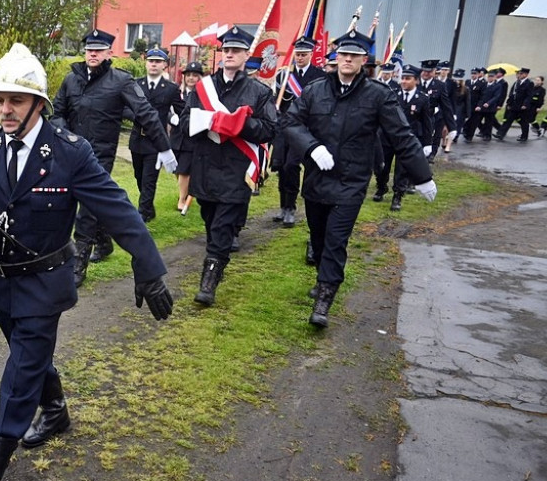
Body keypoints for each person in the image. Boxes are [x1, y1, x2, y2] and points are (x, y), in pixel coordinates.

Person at [0, 43, 174, 481]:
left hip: (46, 284)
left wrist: (149, 267)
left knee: (19, 373)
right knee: (29, 359)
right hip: (0, 284)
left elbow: (118, 209)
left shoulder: (70, 153)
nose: (4, 109)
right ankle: (56, 411)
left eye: (14, 100)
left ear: (38, 104)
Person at [282, 30, 436, 328]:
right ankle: (322, 278)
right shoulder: (315, 90)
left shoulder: (377, 95)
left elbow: (401, 135)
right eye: (343, 54)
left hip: (351, 182)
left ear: (364, 60)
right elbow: (290, 121)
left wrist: (422, 176)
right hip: (317, 178)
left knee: (336, 239)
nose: (347, 59)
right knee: (318, 237)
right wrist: (311, 147)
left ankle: (325, 298)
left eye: (354, 55)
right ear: (335, 57)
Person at [51, 29, 177, 286]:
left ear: (109, 52)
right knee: (70, 199)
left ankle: (78, 262)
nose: (92, 53)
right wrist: (63, 134)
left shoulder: (121, 80)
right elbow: (57, 111)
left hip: (100, 154)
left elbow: (146, 113)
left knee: (86, 205)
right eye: (89, 49)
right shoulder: (70, 80)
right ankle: (105, 240)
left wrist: (164, 148)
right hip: (71, 151)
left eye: (98, 49)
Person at [179, 25, 278, 306]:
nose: (230, 54)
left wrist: (240, 123)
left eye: (236, 50)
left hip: (237, 169)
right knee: (210, 220)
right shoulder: (202, 89)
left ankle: (209, 281)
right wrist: (207, 121)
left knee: (223, 226)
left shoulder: (259, 92)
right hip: (206, 165)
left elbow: (270, 129)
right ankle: (217, 258)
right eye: (227, 50)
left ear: (247, 55)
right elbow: (185, 122)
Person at [273, 36, 327, 228]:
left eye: (304, 55)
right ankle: (282, 206)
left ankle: (291, 208)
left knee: (291, 166)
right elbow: (278, 101)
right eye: (297, 54)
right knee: (280, 167)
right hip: (284, 128)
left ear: (311, 55)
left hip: (304, 129)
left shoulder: (320, 76)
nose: (300, 58)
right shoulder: (284, 75)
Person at [132, 47, 185, 222]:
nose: (153, 64)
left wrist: (178, 119)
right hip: (137, 139)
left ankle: (142, 214)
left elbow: (182, 110)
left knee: (149, 179)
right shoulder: (135, 85)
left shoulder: (170, 88)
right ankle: (148, 209)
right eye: (150, 61)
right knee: (139, 177)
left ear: (164, 65)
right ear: (146, 63)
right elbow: (124, 108)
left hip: (156, 142)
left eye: (158, 62)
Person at [388, 65, 434, 211]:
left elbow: (427, 122)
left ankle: (397, 196)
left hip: (408, 139)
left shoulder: (422, 98)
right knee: (382, 168)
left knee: (402, 169)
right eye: (402, 78)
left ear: (416, 81)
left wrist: (428, 143)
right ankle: (381, 187)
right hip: (389, 137)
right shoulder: (393, 94)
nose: (403, 81)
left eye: (408, 79)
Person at [171, 61, 204, 215]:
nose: (191, 78)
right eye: (188, 75)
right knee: (177, 169)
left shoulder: (203, 96)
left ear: (200, 78)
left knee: (184, 170)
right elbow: (166, 108)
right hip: (177, 136)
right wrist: (170, 117)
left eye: (195, 75)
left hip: (192, 137)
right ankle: (184, 192)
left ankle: (182, 199)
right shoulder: (177, 92)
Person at [419, 59, 455, 162]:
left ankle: (432, 155)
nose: (426, 73)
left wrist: (451, 125)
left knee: (436, 135)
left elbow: (446, 103)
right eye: (424, 71)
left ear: (434, 71)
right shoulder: (416, 82)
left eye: (429, 71)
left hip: (436, 115)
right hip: (419, 117)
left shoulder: (440, 85)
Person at [494, 67, 535, 141]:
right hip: (514, 105)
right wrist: (509, 103)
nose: (519, 75)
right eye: (519, 73)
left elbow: (529, 95)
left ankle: (524, 136)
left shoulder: (529, 83)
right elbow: (512, 94)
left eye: (521, 73)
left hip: (522, 106)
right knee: (508, 120)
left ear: (526, 74)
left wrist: (525, 104)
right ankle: (501, 134)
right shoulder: (517, 82)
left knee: (524, 122)